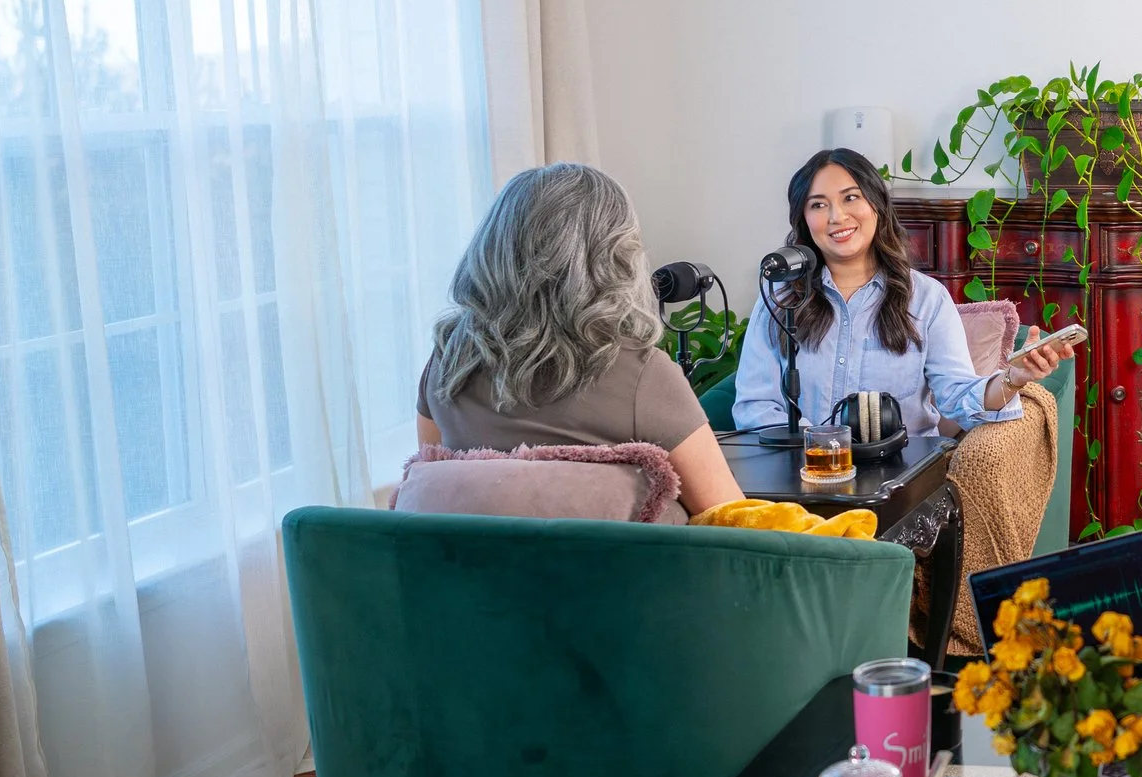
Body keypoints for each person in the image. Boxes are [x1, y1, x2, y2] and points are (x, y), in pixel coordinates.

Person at [418, 163, 745, 517]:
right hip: (616, 572)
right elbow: (732, 519)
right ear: (615, 254)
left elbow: (435, 485)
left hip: (472, 570)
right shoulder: (640, 374)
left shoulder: (447, 365)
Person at [733, 149, 1076, 440]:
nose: (837, 217)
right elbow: (755, 406)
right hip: (802, 477)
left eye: (851, 198)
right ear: (804, 219)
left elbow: (958, 398)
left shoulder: (926, 299)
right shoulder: (782, 299)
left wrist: (1014, 378)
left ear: (876, 205)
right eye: (818, 205)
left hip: (900, 481)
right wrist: (824, 450)